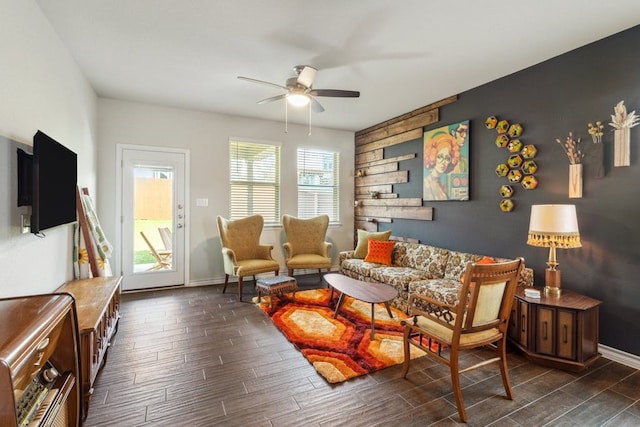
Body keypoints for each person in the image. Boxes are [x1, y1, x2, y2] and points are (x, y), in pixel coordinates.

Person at [423, 132, 460, 200]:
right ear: (433, 157)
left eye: (447, 158)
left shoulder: (442, 184)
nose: (443, 162)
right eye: (440, 157)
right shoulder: (426, 184)